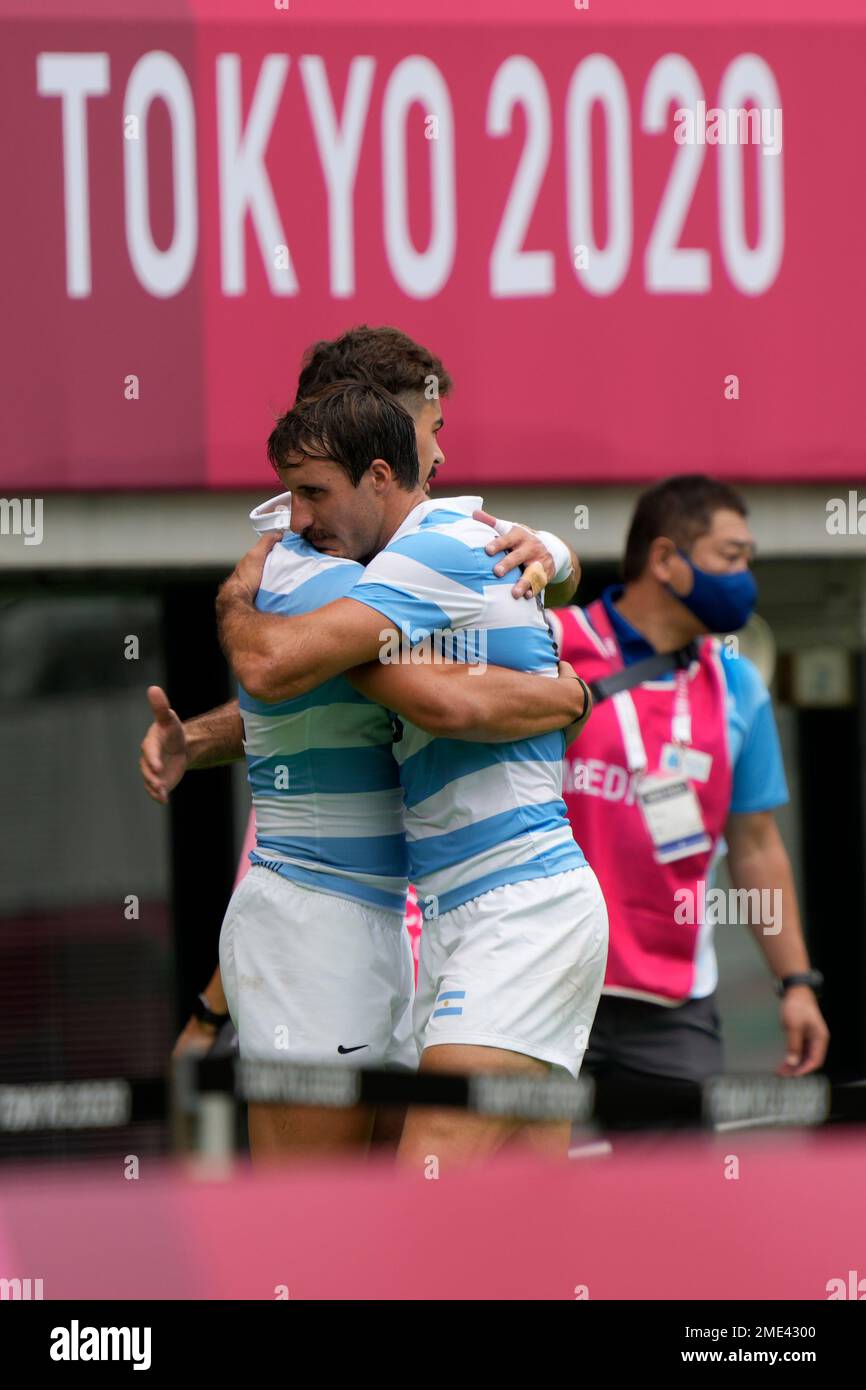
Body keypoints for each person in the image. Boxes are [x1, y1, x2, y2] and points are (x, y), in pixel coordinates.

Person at [142, 326, 581, 1064]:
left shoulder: (414, 546)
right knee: (365, 1176)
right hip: (338, 915)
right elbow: (283, 670)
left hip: (417, 913)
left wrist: (554, 552)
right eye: (430, 428)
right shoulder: (312, 554)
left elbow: (551, 577)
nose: (438, 456)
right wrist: (571, 697)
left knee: (417, 1168)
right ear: (373, 433)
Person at [217, 381, 607, 1167]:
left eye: (312, 493)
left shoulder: (428, 551)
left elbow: (274, 663)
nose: (297, 519)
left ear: (381, 476)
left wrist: (234, 599)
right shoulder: (422, 555)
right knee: (524, 1225)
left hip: (523, 907)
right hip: (459, 918)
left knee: (421, 1191)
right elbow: (398, 684)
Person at [549, 475, 829, 1112]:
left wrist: (796, 981)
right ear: (666, 559)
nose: (745, 576)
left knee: (673, 1204)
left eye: (748, 561)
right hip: (546, 983)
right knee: (532, 1197)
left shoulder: (739, 687)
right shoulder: (550, 644)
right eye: (730, 557)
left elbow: (756, 846)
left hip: (673, 1005)